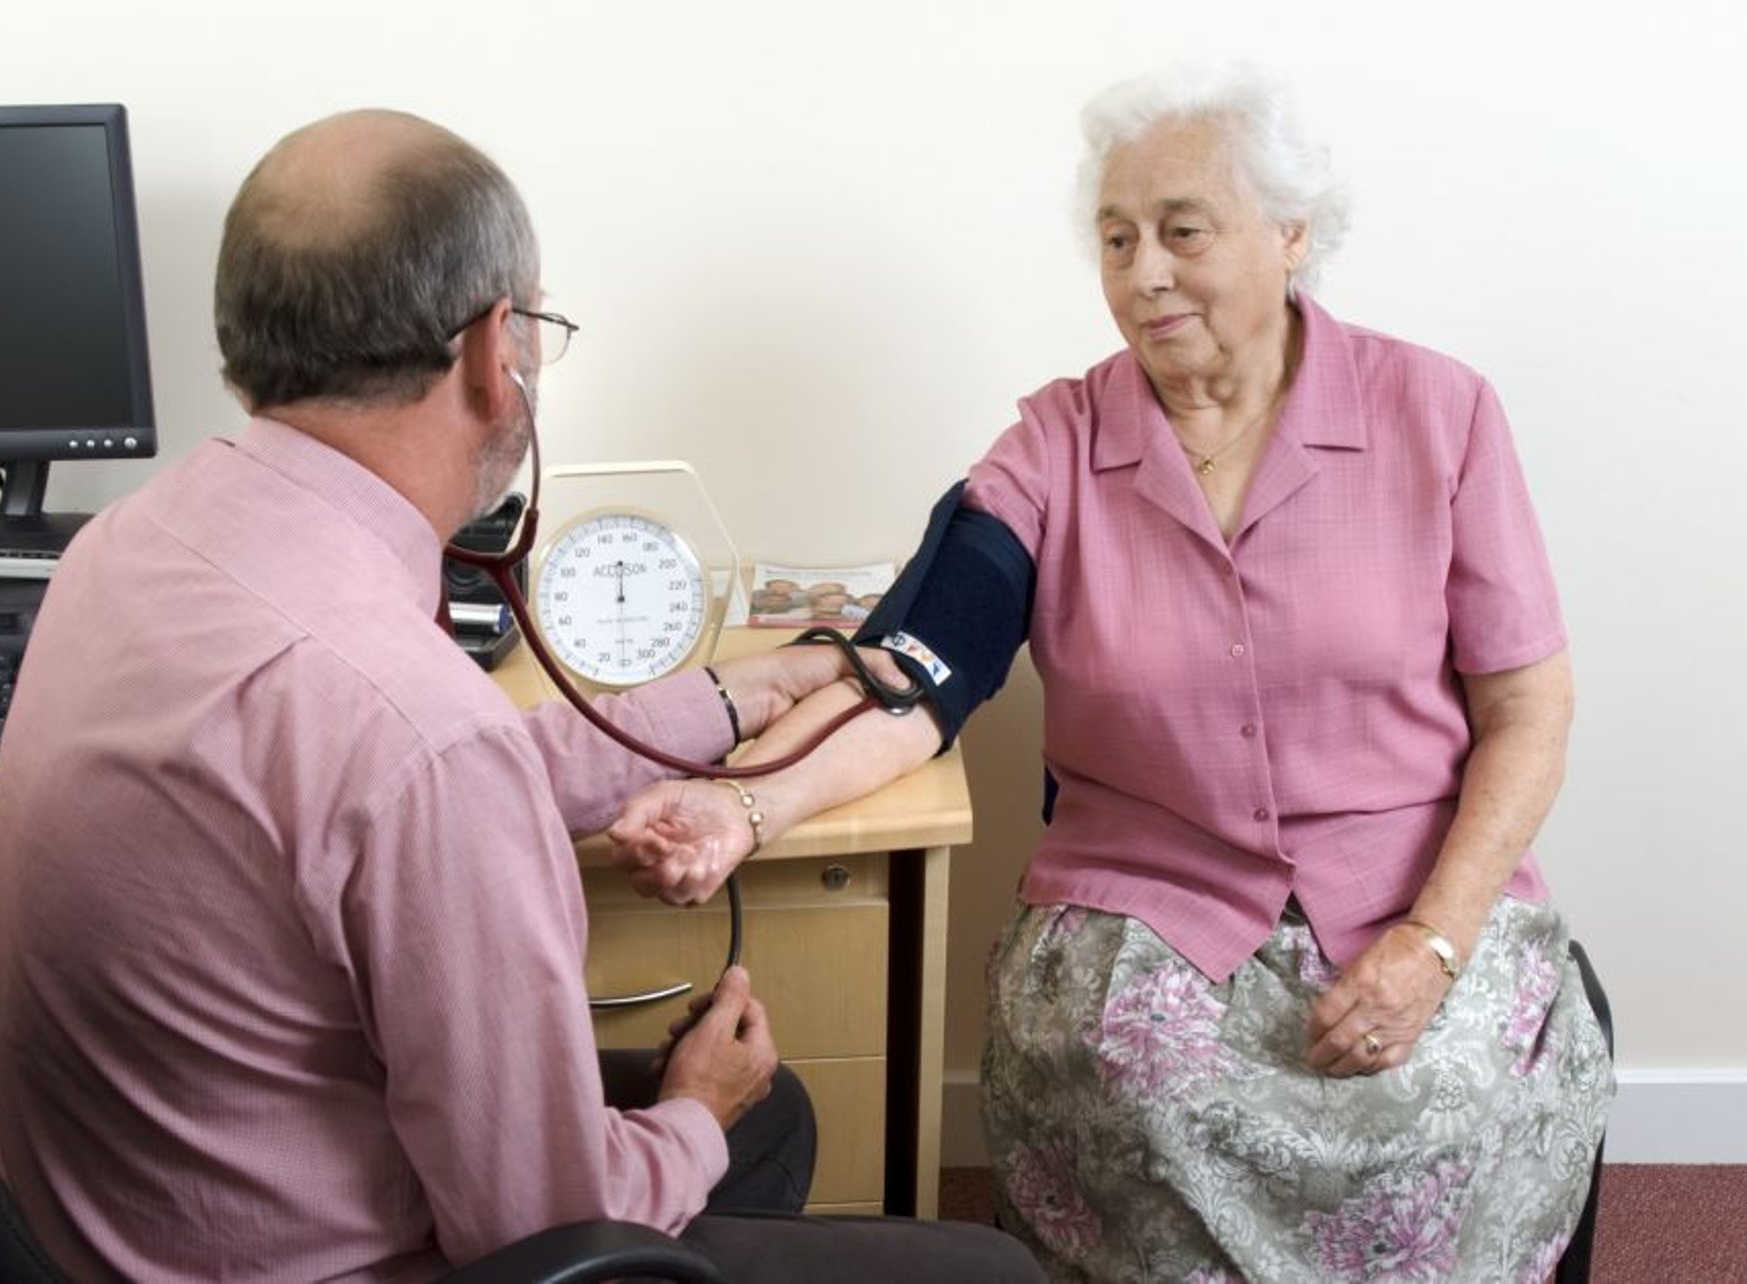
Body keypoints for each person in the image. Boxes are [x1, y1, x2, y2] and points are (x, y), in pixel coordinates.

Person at [0, 109, 1039, 1283]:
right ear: (494, 351)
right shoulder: (417, 739)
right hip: (372, 1260)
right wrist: (690, 1114)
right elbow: (535, 1228)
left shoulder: (128, 546)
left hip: (111, 1222)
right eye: (535, 328)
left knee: (771, 1114)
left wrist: (734, 696)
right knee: (979, 1267)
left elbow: (364, 795)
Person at [609, 64, 1615, 1281]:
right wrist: (739, 803)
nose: (1142, 273)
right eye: (1115, 237)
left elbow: (1527, 707)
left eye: (1182, 232)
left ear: (1291, 235)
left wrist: (1433, 942)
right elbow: (916, 673)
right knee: (1143, 1091)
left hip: (1409, 888)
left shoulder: (1438, 413)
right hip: (1152, 905)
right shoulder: (1055, 441)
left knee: (1465, 1090)